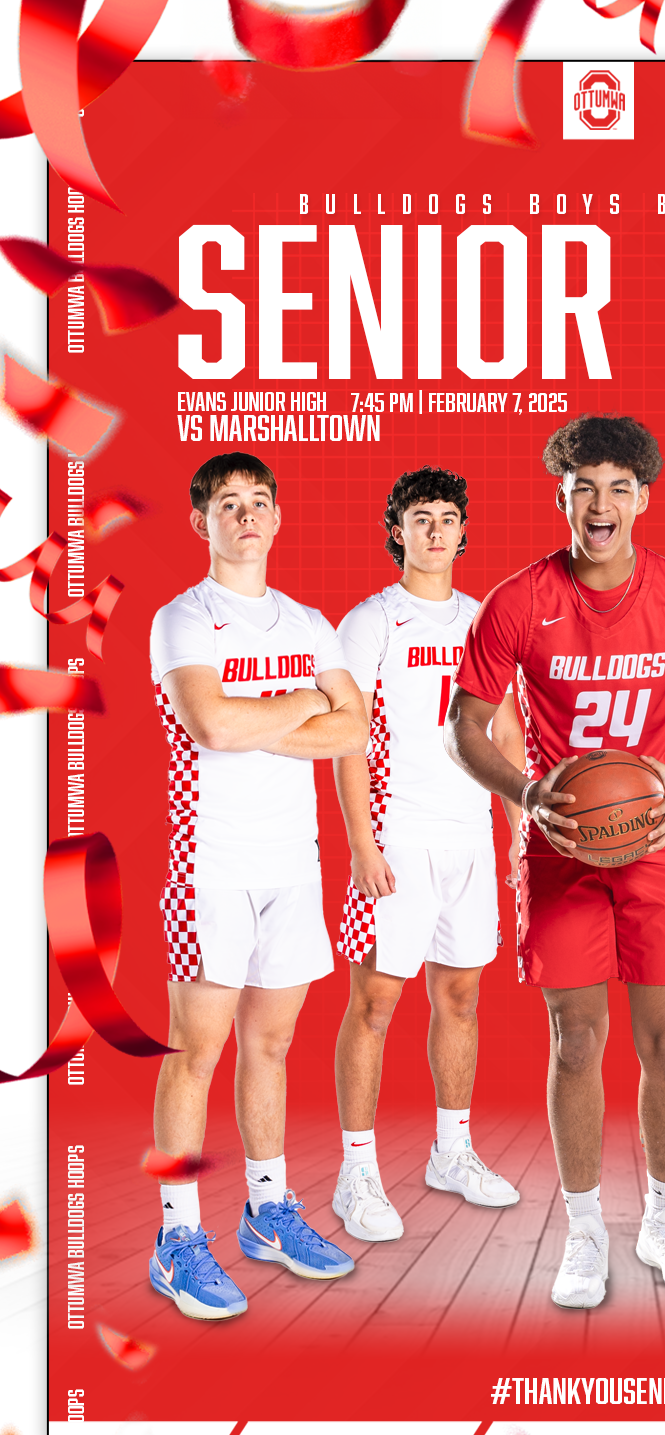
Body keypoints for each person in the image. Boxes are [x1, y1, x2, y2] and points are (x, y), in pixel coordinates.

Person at [444, 414, 665, 1309]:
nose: (601, 503)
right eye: (584, 485)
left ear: (643, 499)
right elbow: (463, 729)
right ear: (560, 496)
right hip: (559, 845)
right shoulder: (516, 600)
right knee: (576, 1040)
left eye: (619, 487)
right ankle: (585, 1229)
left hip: (657, 845)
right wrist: (524, 793)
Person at [148, 452, 367, 1320]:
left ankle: (268, 1214)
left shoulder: (310, 622)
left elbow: (354, 726)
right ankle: (175, 1238)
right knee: (196, 1051)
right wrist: (299, 711)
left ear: (278, 520)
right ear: (201, 521)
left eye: (259, 502)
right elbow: (209, 720)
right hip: (214, 861)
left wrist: (261, 721)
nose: (246, 515)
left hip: (294, 861)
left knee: (270, 1047)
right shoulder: (183, 619)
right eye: (227, 503)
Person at [331, 465, 524, 1240]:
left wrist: (516, 829)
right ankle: (357, 1173)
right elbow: (347, 739)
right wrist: (361, 845)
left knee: (462, 999)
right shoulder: (370, 622)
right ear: (398, 532)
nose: (436, 529)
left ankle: (452, 1151)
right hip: (397, 835)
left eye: (448, 516)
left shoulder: (483, 620)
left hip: (469, 835)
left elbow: (501, 733)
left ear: (463, 532)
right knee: (375, 1004)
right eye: (421, 517)